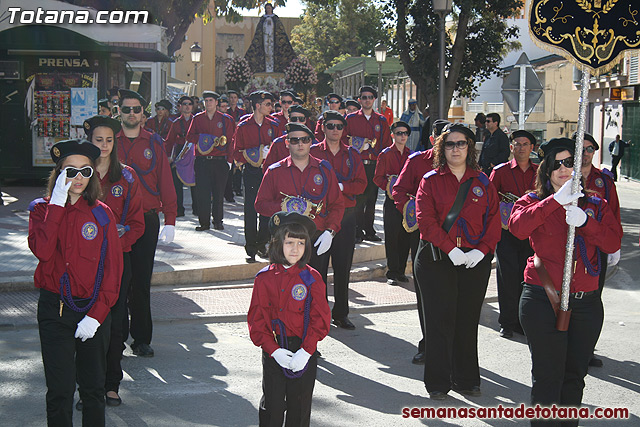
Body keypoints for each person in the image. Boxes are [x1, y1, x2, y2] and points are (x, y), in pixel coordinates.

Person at [509, 138, 622, 426]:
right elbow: (518, 228)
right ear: (546, 170)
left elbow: (612, 241)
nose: (563, 169)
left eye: (569, 162)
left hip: (585, 303)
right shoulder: (532, 201)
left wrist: (586, 222)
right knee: (548, 376)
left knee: (574, 376)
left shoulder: (596, 205)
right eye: (557, 164)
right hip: (542, 299)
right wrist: (553, 202)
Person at [28, 139, 123, 426]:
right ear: (58, 174)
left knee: (93, 390)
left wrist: (96, 316)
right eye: (70, 171)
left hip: (92, 311)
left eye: (85, 171)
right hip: (54, 311)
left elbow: (113, 272)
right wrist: (56, 204)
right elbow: (43, 252)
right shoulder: (40, 210)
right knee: (59, 390)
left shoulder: (102, 213)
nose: (78, 178)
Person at [413, 123, 501, 400]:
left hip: (474, 261)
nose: (456, 149)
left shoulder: (484, 182)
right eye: (449, 144)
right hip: (437, 258)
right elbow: (424, 221)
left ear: (470, 147)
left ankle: (466, 379)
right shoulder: (430, 180)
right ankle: (438, 382)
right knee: (439, 322)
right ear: (442, 147)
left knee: (466, 320)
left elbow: (494, 221)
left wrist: (482, 251)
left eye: (461, 143)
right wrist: (451, 249)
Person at [83, 115, 145, 408]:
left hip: (118, 262)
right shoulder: (79, 174)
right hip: (84, 264)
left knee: (116, 324)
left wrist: (113, 244)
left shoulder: (128, 176)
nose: (105, 145)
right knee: (86, 324)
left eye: (110, 140)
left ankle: (111, 385)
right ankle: (88, 388)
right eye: (99, 140)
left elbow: (136, 224)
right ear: (89, 141)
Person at [247, 211, 331, 427]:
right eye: (290, 242)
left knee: (300, 407)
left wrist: (307, 350)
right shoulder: (264, 279)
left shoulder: (312, 278)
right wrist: (272, 350)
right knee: (272, 408)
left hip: (303, 349)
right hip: (275, 349)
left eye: (301, 243)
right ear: (277, 243)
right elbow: (257, 321)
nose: (295, 249)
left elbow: (320, 319)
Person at [255, 122, 345, 310]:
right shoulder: (275, 171)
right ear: (287, 143)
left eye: (304, 140)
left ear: (311, 142)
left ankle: (314, 329)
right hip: (285, 240)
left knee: (315, 288)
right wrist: (282, 206)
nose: (300, 144)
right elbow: (260, 204)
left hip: (316, 238)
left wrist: (330, 232)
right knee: (283, 290)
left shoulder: (324, 169)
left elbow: (337, 204)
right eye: (294, 140)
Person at [116, 89, 177, 357]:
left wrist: (171, 220)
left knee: (140, 282)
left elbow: (165, 180)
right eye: (127, 109)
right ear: (118, 111)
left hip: (146, 219)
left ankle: (141, 338)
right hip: (113, 223)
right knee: (115, 282)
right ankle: (114, 337)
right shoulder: (107, 141)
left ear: (143, 113)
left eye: (136, 110)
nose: (132, 114)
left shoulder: (154, 142)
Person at [392, 120, 448, 366]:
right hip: (423, 233)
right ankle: (429, 344)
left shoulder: (463, 164)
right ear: (432, 137)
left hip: (456, 235)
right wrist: (410, 210)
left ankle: (453, 348)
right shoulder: (416, 161)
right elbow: (398, 190)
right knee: (426, 290)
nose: (448, 143)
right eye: (442, 136)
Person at [310, 111, 367, 329]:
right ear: (323, 127)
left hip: (346, 216)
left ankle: (341, 313)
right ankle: (320, 314)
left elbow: (362, 184)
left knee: (343, 266)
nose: (335, 130)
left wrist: (342, 187)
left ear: (344, 130)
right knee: (318, 268)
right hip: (320, 218)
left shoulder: (352, 154)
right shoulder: (313, 151)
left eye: (339, 126)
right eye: (331, 125)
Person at [575, 131, 622, 368]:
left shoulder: (604, 179)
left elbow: (613, 212)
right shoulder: (562, 176)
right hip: (567, 249)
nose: (585, 154)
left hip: (597, 248)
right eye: (580, 149)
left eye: (589, 149)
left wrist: (616, 245)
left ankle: (587, 348)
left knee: (592, 301)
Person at [489, 130, 538, 339]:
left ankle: (524, 321)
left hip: (532, 232)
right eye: (516, 144)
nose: (521, 148)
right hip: (506, 232)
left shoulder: (540, 172)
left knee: (527, 278)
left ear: (532, 148)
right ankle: (507, 322)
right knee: (506, 276)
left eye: (525, 144)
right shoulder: (500, 171)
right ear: (511, 148)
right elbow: (489, 202)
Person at [233, 91, 279, 262]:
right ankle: (251, 246)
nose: (271, 107)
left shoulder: (274, 125)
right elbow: (236, 152)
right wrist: (256, 153)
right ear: (258, 105)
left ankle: (263, 243)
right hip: (251, 172)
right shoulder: (243, 126)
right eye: (268, 104)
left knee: (267, 209)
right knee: (251, 209)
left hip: (269, 172)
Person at [344, 86, 393, 242]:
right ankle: (357, 232)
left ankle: (369, 230)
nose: (367, 100)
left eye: (370, 97)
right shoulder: (351, 119)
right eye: (364, 97)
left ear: (374, 99)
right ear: (360, 100)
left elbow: (386, 144)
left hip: (374, 164)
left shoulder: (381, 120)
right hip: (357, 165)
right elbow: (344, 139)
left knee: (371, 199)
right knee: (358, 198)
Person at [374, 121, 417, 286]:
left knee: (406, 236)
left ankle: (401, 271)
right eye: (399, 133)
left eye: (405, 133)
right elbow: (377, 178)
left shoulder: (412, 155)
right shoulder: (385, 154)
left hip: (407, 202)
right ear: (393, 135)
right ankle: (392, 272)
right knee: (392, 236)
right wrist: (390, 184)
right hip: (391, 201)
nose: (403, 136)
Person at [186, 91, 236, 231]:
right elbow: (190, 137)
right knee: (203, 193)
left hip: (220, 161)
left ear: (216, 103)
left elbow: (231, 141)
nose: (208, 103)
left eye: (211, 100)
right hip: (202, 161)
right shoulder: (197, 119)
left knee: (219, 193)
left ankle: (218, 221)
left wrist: (230, 161)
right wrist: (204, 138)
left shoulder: (225, 119)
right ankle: (204, 223)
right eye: (206, 100)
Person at [165, 95, 197, 217]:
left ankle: (197, 208)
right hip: (180, 153)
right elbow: (169, 141)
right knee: (177, 183)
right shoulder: (176, 123)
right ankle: (179, 209)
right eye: (184, 104)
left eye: (189, 104)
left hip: (194, 153)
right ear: (180, 107)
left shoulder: (197, 121)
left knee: (195, 182)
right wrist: (168, 156)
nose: (187, 106)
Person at [245, 2, 297, 73]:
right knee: (266, 52)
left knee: (272, 52)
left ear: (272, 9)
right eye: (267, 8)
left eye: (269, 8)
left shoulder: (275, 18)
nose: (268, 9)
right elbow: (259, 30)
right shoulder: (263, 18)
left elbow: (280, 30)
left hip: (273, 39)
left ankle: (273, 69)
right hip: (265, 38)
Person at [264, 105, 312, 171]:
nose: (297, 122)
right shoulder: (278, 143)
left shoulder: (312, 143)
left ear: (305, 121)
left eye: (301, 119)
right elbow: (267, 169)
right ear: (288, 120)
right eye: (294, 119)